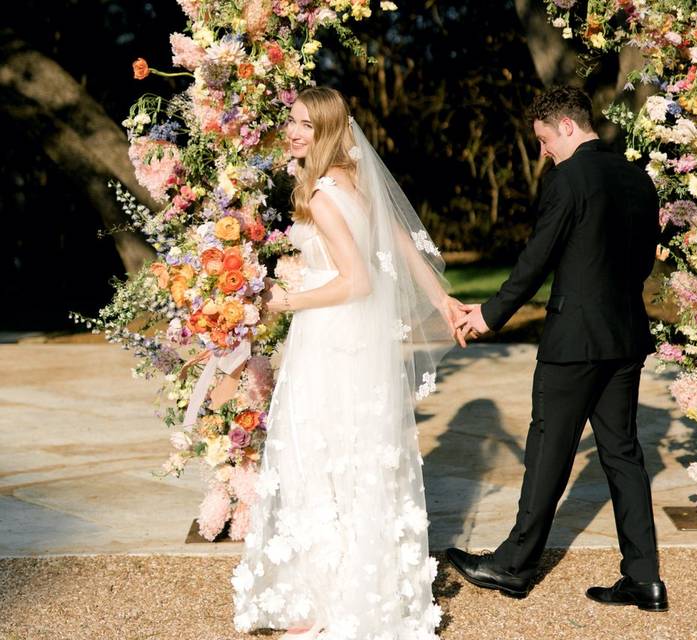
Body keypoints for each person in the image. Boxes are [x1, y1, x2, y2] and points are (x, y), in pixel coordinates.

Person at [231, 86, 460, 638]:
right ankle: (356, 592)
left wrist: (284, 299)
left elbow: (356, 281)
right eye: (291, 121)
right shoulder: (353, 181)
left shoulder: (324, 195)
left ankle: (325, 606)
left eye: (306, 125)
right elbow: (402, 243)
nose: (293, 132)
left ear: (330, 130)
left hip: (330, 344)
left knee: (319, 464)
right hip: (359, 348)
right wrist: (441, 300)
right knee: (351, 461)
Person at [448, 85, 668, 612]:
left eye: (545, 140)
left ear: (566, 126)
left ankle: (512, 567)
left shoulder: (570, 179)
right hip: (625, 336)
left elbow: (537, 259)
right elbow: (643, 262)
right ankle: (644, 578)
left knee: (549, 448)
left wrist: (488, 314)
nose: (544, 152)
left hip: (574, 342)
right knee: (623, 453)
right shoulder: (638, 178)